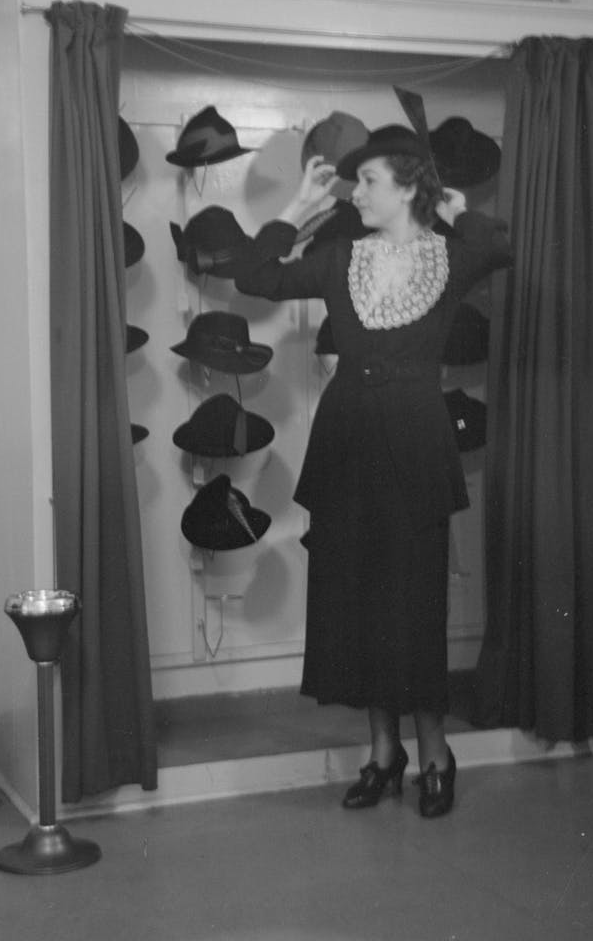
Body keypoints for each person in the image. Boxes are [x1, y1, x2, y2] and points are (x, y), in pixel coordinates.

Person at [234, 117, 512, 817]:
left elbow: (505, 245)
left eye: (370, 180)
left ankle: (435, 753)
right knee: (355, 604)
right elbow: (255, 276)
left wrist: (451, 207)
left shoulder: (450, 255)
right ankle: (382, 756)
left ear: (410, 188)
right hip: (348, 442)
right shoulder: (339, 256)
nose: (357, 191)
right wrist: (296, 208)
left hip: (415, 447)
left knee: (413, 605)